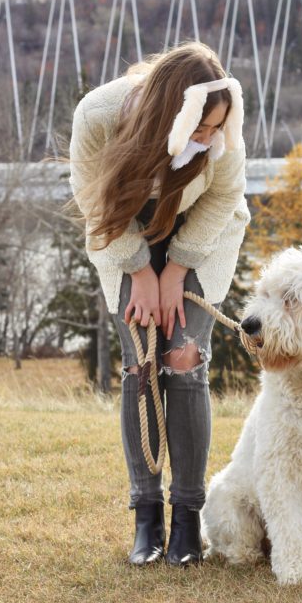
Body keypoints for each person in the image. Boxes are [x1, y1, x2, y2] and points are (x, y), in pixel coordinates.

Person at [69, 42, 250, 567]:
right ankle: (146, 516)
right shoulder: (100, 115)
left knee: (185, 361)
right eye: (200, 128)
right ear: (170, 111)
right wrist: (140, 268)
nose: (209, 138)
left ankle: (187, 518)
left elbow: (222, 197)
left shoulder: (221, 128)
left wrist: (177, 268)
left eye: (216, 128)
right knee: (142, 366)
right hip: (125, 232)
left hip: (201, 236)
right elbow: (92, 197)